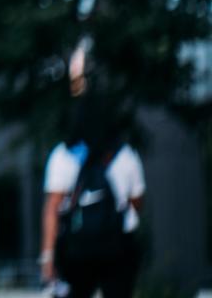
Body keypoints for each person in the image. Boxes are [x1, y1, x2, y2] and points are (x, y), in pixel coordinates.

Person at [40, 93, 145, 298]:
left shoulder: (63, 155)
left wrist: (47, 256)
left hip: (76, 248)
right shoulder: (125, 155)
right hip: (118, 247)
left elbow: (52, 208)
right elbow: (137, 203)